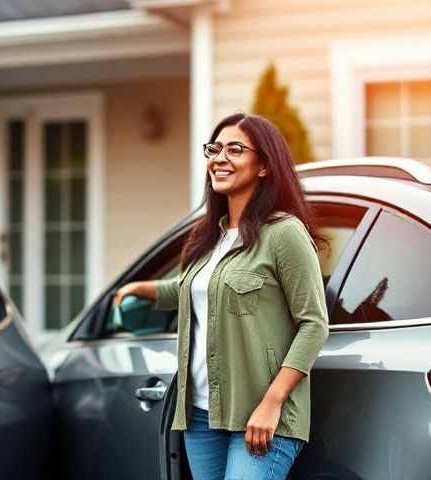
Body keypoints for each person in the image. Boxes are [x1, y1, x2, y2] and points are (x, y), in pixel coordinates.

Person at [113, 112, 330, 479]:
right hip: (200, 414)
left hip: (261, 416)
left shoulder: (283, 233)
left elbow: (313, 324)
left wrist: (271, 404)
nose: (219, 159)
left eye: (235, 150)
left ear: (263, 166)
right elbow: (195, 290)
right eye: (215, 149)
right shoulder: (207, 237)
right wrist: (143, 289)